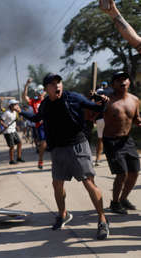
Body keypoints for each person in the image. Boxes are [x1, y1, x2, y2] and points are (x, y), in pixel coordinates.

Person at [19, 73, 110, 240]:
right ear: (46, 89)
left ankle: (102, 219)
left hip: (77, 144)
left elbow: (96, 108)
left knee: (88, 182)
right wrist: (21, 112)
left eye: (58, 82)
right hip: (58, 149)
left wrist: (103, 101)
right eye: (52, 84)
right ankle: (63, 214)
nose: (57, 86)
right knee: (57, 184)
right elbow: (36, 118)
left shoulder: (73, 97)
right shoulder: (45, 104)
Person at [103, 71, 140, 214]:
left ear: (129, 82)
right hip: (111, 141)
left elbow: (136, 118)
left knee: (135, 172)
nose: (123, 82)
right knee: (122, 174)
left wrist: (139, 122)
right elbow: (92, 114)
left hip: (127, 140)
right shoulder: (108, 101)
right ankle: (115, 202)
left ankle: (123, 198)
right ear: (113, 84)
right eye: (118, 80)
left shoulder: (135, 100)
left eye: (125, 79)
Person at [23, 78, 47, 169]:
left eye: (42, 91)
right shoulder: (34, 102)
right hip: (40, 125)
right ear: (36, 93)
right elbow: (24, 97)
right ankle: (40, 160)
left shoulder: (49, 100)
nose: (40, 93)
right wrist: (26, 85)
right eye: (38, 92)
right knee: (43, 143)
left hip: (50, 123)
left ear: (45, 92)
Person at [0, 99, 24, 165]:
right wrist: (4, 125)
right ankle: (11, 160)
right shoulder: (7, 112)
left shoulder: (15, 112)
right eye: (15, 105)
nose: (16, 106)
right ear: (11, 106)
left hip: (13, 130)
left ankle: (19, 157)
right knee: (12, 146)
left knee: (19, 143)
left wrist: (16, 126)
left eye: (16, 104)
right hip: (8, 131)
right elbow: (1, 120)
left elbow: (14, 120)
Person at [93, 81, 111, 166]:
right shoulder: (110, 92)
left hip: (99, 119)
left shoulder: (97, 93)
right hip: (108, 118)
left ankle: (97, 159)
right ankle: (112, 158)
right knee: (111, 138)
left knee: (100, 139)